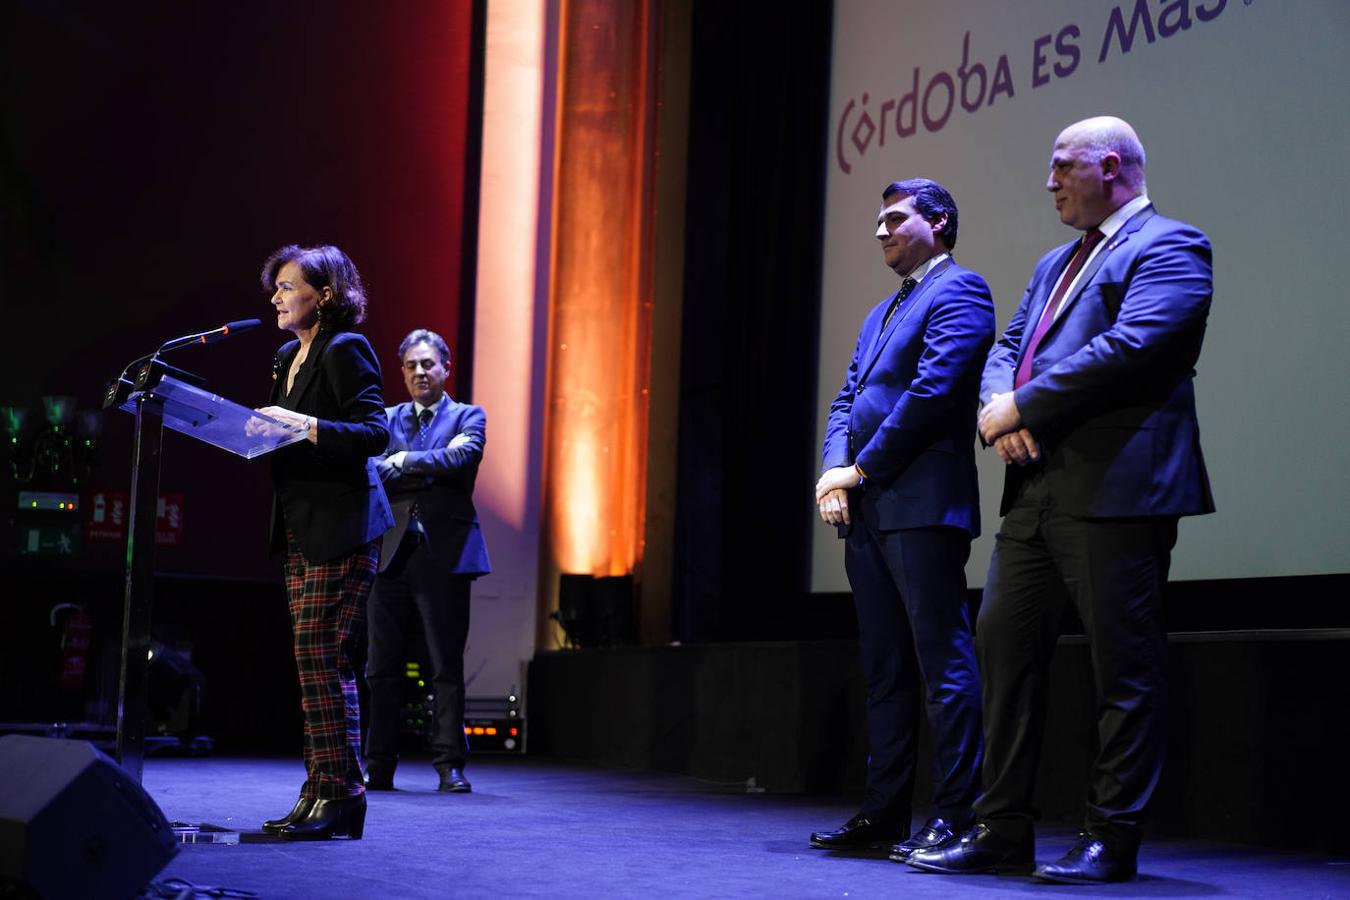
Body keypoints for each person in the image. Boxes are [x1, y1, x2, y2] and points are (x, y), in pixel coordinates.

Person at [907, 117, 1214, 883]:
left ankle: (1111, 836)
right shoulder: (1053, 263)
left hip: (1118, 489)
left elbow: (1133, 346)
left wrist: (1025, 407)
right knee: (1004, 654)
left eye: (1061, 167)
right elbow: (1008, 345)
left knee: (1124, 671)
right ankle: (1001, 826)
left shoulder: (1173, 246)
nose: (1048, 182)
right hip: (1035, 492)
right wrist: (997, 404)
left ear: (1111, 168)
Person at [812, 179, 994, 857]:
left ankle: (955, 815)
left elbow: (934, 394)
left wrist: (859, 470)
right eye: (878, 221)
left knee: (943, 664)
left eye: (894, 218)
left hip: (921, 505)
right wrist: (835, 475)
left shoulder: (962, 291)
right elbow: (845, 399)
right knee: (885, 669)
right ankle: (884, 814)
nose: (880, 231)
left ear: (939, 222)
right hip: (866, 511)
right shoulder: (880, 313)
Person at [252, 244, 393, 841]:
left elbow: (374, 432)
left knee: (322, 656)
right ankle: (318, 791)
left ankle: (342, 794)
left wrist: (301, 426)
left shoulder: (344, 348)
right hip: (299, 524)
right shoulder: (288, 354)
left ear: (325, 295)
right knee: (313, 664)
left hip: (342, 525)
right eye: (276, 288)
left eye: (288, 287)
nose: (276, 297)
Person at [364, 329, 490, 794]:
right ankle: (378, 765)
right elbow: (370, 468)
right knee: (381, 666)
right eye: (412, 365)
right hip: (391, 553)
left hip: (445, 554)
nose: (420, 371)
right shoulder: (386, 418)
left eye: (429, 364)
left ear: (445, 369)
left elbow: (463, 457)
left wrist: (403, 462)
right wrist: (410, 466)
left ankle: (449, 765)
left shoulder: (467, 416)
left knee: (445, 665)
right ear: (402, 372)